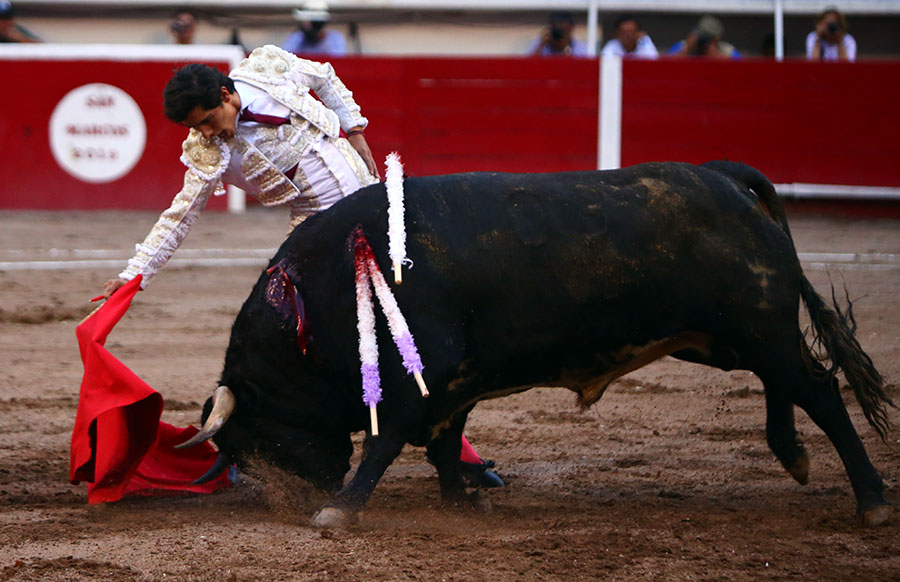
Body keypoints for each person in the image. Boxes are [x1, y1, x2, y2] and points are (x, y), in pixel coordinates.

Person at [99, 45, 503, 489]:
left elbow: (326, 77)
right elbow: (180, 216)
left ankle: (452, 448)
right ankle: (254, 439)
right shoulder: (206, 151)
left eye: (209, 120)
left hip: (377, 205)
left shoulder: (269, 68)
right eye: (197, 127)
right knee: (326, 337)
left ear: (227, 95)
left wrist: (355, 129)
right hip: (318, 237)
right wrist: (134, 276)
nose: (207, 133)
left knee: (428, 319)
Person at [282, 0, 347, 56]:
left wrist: (320, 37)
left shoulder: (335, 38)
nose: (306, 25)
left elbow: (337, 61)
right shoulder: (299, 36)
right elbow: (286, 56)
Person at [668, 15, 740, 59]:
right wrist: (686, 51)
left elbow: (741, 69)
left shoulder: (727, 50)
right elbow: (665, 66)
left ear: (716, 39)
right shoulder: (681, 46)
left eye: (708, 38)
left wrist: (717, 57)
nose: (703, 41)